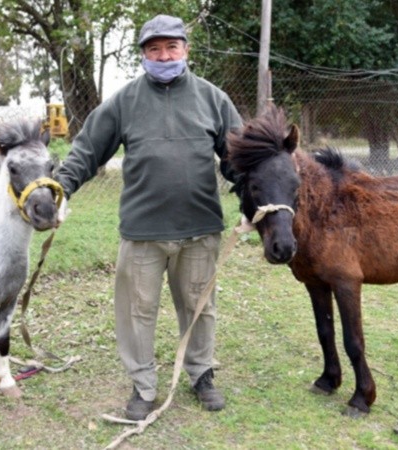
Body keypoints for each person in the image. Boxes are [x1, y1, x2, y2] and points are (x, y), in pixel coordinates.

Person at [55, 14, 243, 420]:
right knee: (136, 312)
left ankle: (200, 374)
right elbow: (87, 151)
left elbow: (239, 161)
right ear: (143, 54)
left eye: (171, 47)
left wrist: (255, 196)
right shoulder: (124, 102)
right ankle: (143, 385)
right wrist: (60, 188)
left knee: (199, 308)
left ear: (185, 50)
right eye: (153, 49)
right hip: (142, 232)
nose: (163, 56)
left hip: (200, 229)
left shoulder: (214, 99)